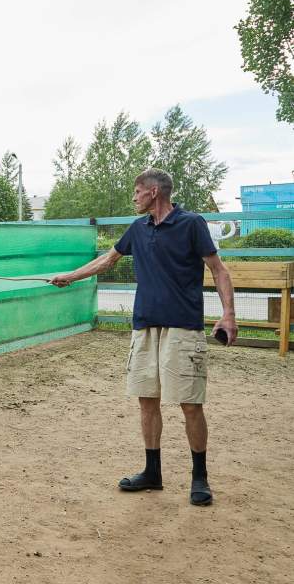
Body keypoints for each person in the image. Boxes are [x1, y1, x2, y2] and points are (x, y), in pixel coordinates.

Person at [50, 168, 237, 506]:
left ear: (153, 192)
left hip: (183, 327)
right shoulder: (137, 228)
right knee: (146, 400)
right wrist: (71, 277)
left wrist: (229, 315)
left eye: (137, 191)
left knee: (190, 404)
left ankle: (200, 477)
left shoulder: (191, 223)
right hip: (144, 327)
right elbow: (108, 260)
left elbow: (218, 270)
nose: (133, 197)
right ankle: (153, 472)